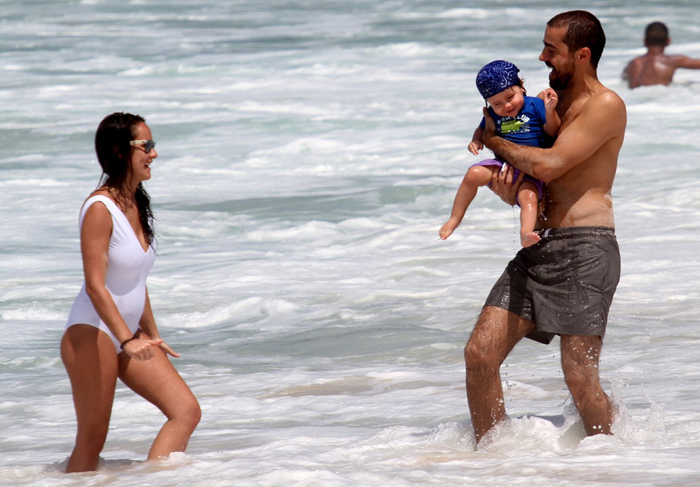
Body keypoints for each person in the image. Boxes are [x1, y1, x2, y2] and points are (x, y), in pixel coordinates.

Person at [463, 10, 626, 444]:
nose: (542, 57)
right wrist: (509, 191)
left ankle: (608, 461)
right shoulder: (543, 106)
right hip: (539, 247)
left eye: (551, 50)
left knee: (578, 376)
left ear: (582, 54)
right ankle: (492, 462)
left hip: (586, 248)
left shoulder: (604, 105)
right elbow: (533, 177)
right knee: (480, 354)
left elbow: (550, 166)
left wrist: (492, 137)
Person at [61, 112, 201, 472]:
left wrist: (151, 334)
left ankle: (154, 481)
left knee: (185, 412)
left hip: (129, 332)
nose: (154, 154)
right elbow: (95, 285)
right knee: (92, 440)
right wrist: (126, 340)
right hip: (92, 331)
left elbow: (136, 279)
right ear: (120, 152)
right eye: (147, 146)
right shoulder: (99, 208)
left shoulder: (137, 202)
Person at [439, 60, 560, 247]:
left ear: (521, 87)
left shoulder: (535, 105)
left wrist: (550, 112)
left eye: (510, 97)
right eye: (497, 103)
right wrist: (476, 140)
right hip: (504, 166)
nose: (507, 106)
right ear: (488, 104)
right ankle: (455, 218)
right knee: (473, 174)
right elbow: (481, 130)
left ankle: (526, 232)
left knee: (528, 196)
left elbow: (552, 131)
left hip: (532, 170)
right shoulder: (492, 115)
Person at [622, 21, 700, 89]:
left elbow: (625, 81)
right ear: (668, 41)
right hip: (661, 102)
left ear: (644, 41)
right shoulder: (672, 61)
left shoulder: (633, 63)